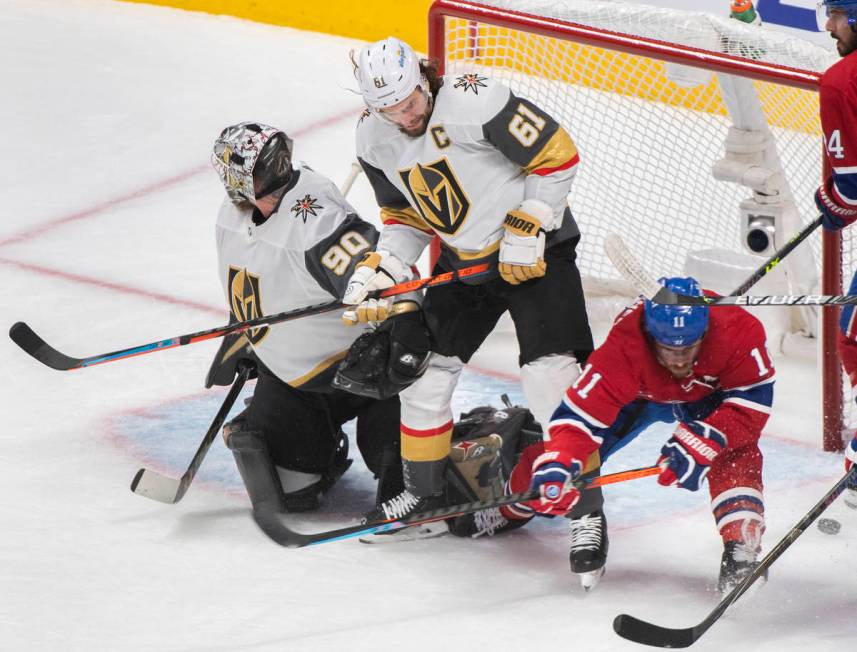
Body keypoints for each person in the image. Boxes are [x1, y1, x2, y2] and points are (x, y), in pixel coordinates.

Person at [341, 37, 594, 535]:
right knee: (423, 375)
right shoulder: (373, 139)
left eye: (410, 102)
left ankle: (588, 513)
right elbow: (404, 215)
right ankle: (420, 492)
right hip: (467, 265)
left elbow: (556, 154)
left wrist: (536, 217)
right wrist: (388, 263)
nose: (405, 116)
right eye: (389, 109)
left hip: (536, 260)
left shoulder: (476, 98)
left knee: (551, 380)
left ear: (423, 78)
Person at [497, 277, 775, 591]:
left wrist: (710, 436)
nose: (680, 359)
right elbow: (579, 418)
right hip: (641, 397)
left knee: (736, 448)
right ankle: (507, 506)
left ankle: (741, 547)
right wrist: (561, 462)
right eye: (669, 349)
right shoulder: (625, 343)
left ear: (705, 330)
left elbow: (753, 403)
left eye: (689, 347)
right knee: (559, 459)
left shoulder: (737, 328)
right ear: (649, 333)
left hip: (706, 399)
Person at [208, 121, 410, 517]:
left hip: (358, 369)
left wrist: (376, 292)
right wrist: (244, 336)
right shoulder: (229, 218)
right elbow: (249, 282)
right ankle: (320, 442)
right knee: (290, 495)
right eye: (268, 170)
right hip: (294, 378)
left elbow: (372, 269)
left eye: (282, 162)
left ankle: (416, 461)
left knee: (396, 460)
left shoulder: (316, 216)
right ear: (239, 185)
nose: (281, 174)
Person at [814, 1, 857, 506]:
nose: (828, 26)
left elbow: (850, 191)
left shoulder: (841, 81)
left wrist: (832, 203)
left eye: (837, 15)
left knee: (853, 333)